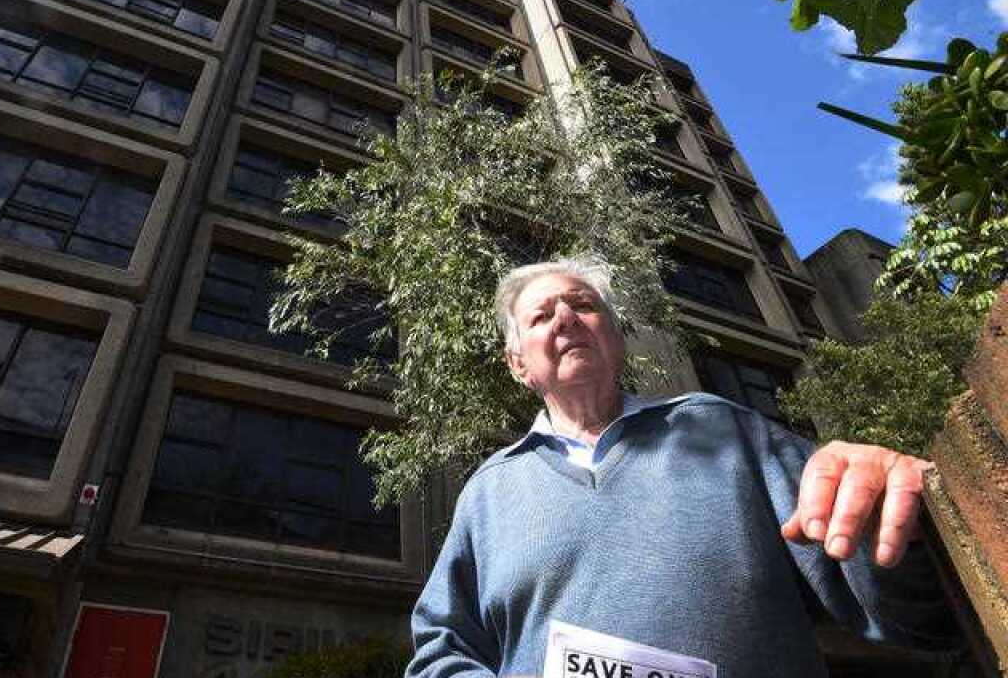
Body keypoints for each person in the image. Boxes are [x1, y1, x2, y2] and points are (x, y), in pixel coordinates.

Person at [404, 256, 952, 678]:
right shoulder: (488, 492)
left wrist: (897, 509)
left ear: (617, 339)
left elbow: (916, 611)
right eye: (543, 316)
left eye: (584, 305)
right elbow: (440, 649)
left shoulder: (724, 430)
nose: (567, 317)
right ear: (518, 363)